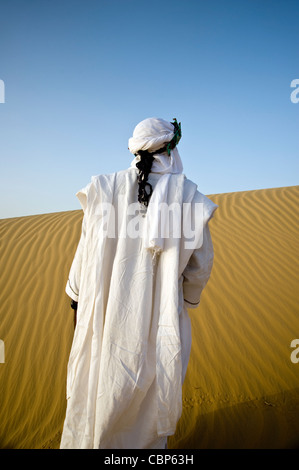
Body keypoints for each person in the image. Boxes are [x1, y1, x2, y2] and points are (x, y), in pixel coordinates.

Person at [60, 117, 217, 449]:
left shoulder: (102, 188)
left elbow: (83, 255)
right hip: (159, 323)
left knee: (98, 394)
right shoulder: (189, 197)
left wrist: (77, 302)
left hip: (102, 315)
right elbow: (200, 267)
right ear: (171, 149)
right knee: (146, 409)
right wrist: (186, 299)